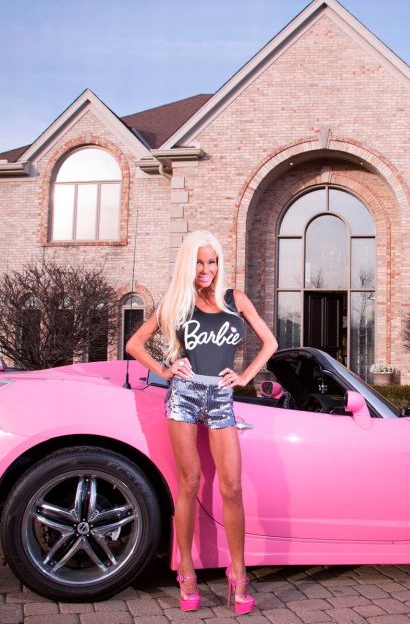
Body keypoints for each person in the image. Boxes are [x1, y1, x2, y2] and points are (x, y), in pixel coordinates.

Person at [126, 229, 277, 615]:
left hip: (222, 396)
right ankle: (188, 570)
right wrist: (164, 367)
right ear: (188, 263)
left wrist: (245, 376)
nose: (206, 269)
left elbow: (270, 342)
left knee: (232, 487)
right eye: (199, 261)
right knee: (190, 482)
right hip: (185, 396)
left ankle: (238, 572)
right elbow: (133, 344)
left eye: (211, 261)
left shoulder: (234, 299)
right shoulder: (177, 302)